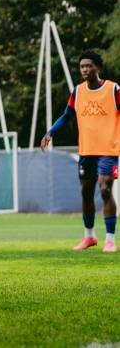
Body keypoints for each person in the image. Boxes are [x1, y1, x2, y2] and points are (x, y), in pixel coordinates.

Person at [41, 50, 119, 252]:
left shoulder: (113, 89)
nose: (85, 69)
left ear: (98, 68)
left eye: (89, 65)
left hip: (108, 150)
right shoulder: (78, 92)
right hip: (87, 151)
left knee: (105, 188)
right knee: (86, 193)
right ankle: (89, 237)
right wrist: (50, 132)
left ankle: (110, 239)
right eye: (82, 66)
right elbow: (66, 116)